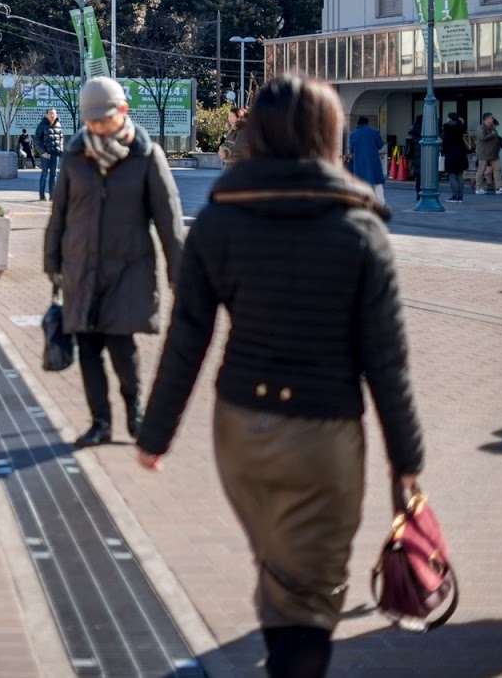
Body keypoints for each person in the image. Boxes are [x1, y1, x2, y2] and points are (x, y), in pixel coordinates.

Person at [138, 73, 424, 678]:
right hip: (325, 435)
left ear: (256, 132)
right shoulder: (361, 229)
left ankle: (278, 657)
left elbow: (188, 333)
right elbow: (387, 361)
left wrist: (156, 434)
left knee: (277, 563)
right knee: (313, 592)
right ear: (330, 133)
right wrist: (408, 460)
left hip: (240, 430)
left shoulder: (218, 220)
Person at [45, 78, 184, 446]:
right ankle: (100, 422)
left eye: (103, 119)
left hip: (128, 271)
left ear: (123, 113)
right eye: (91, 121)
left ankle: (134, 411)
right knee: (88, 350)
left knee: (122, 348)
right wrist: (52, 261)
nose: (96, 127)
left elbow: (169, 220)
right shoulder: (75, 156)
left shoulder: (146, 155)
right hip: (81, 268)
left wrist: (179, 275)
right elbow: (59, 214)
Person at [346, 116, 386, 204]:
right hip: (373, 162)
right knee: (377, 184)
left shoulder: (353, 134)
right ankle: (381, 203)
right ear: (368, 123)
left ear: (358, 123)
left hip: (359, 163)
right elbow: (380, 145)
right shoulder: (374, 132)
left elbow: (351, 148)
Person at [473, 113, 502, 195]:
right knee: (481, 170)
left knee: (497, 169)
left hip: (494, 153)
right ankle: (478, 188)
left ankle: (499, 187)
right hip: (484, 153)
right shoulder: (481, 128)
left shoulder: (492, 128)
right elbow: (482, 138)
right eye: (491, 118)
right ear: (487, 119)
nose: (492, 119)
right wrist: (492, 134)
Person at [35, 107, 64, 201]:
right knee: (44, 174)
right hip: (45, 155)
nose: (52, 115)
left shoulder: (59, 124)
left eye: (54, 113)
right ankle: (42, 196)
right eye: (50, 113)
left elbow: (61, 138)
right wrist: (43, 152)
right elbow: (37, 139)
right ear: (46, 115)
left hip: (55, 154)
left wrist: (61, 149)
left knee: (53, 175)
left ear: (56, 115)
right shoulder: (42, 125)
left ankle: (53, 196)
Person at [441, 113, 471, 202]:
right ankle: (460, 197)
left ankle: (454, 196)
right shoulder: (462, 128)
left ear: (450, 119)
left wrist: (444, 150)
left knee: (452, 176)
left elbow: (445, 142)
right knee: (460, 176)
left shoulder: (447, 129)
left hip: (451, 154)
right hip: (461, 154)